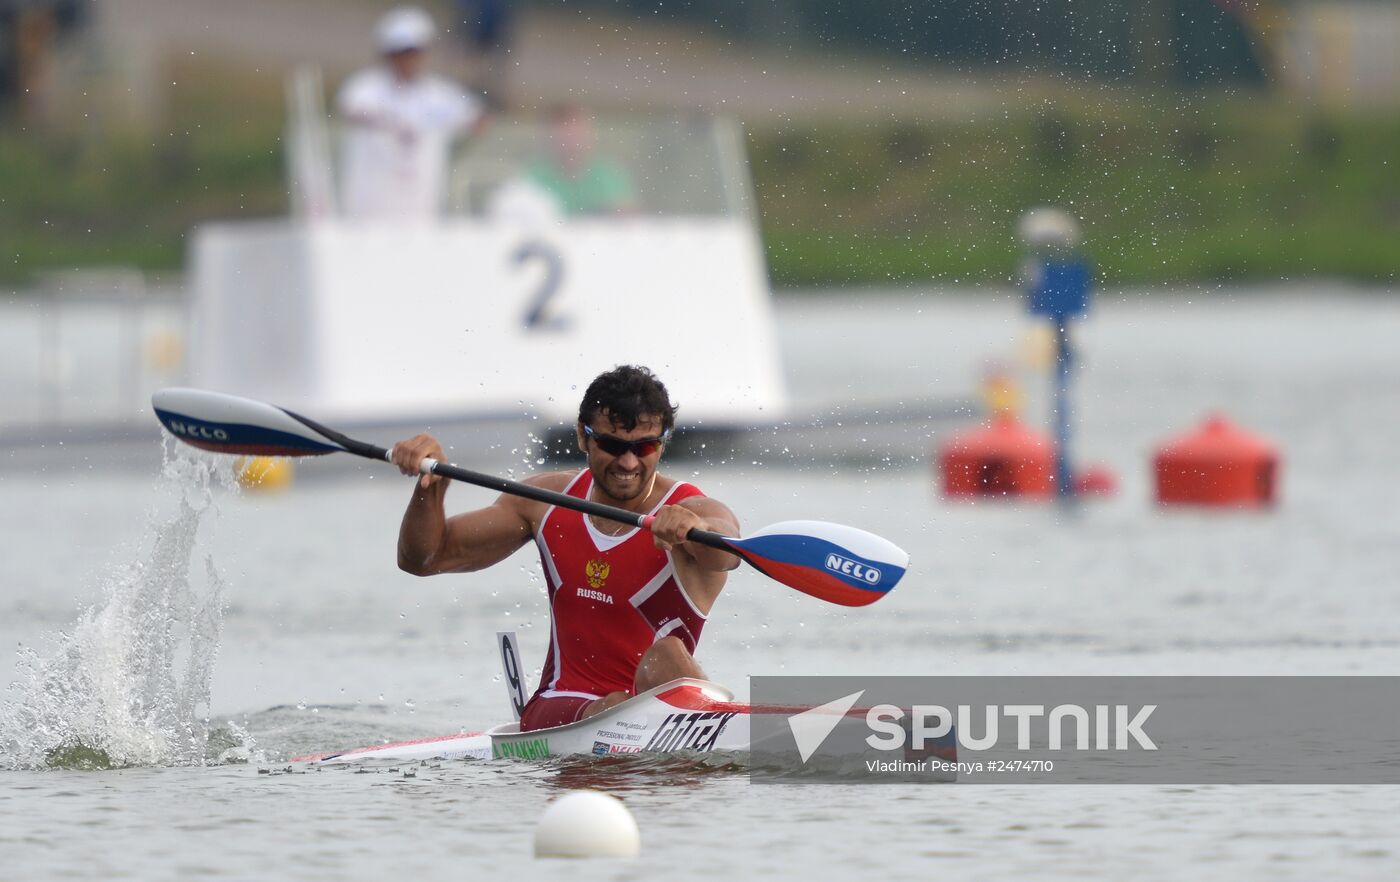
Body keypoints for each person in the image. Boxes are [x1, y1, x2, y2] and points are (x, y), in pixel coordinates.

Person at [391, 366, 739, 732]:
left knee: (665, 657)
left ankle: (707, 730)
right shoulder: (544, 500)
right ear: (582, 436)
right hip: (560, 710)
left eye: (644, 447)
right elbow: (425, 558)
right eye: (612, 445)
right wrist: (432, 488)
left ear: (663, 443)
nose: (628, 462)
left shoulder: (695, 511)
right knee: (618, 705)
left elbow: (727, 550)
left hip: (653, 706)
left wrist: (696, 531)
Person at [337, 6, 487, 221]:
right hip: (367, 209)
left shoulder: (440, 94)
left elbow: (478, 119)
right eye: (401, 52)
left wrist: (456, 137)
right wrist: (392, 124)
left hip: (420, 210)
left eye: (413, 51)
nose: (407, 59)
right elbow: (352, 110)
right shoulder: (365, 87)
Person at [525, 104, 638, 216]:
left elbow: (627, 217)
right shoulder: (534, 177)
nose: (571, 140)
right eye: (565, 133)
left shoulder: (609, 173)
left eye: (577, 132)